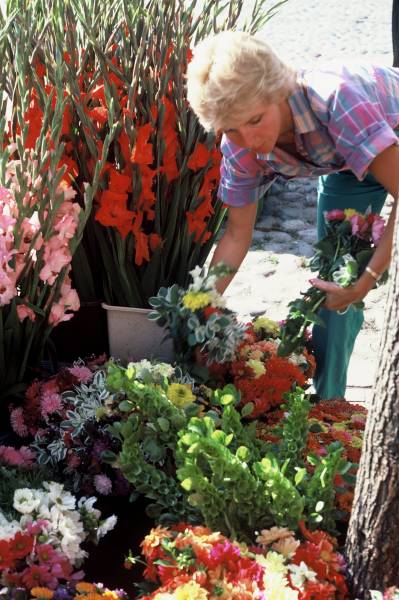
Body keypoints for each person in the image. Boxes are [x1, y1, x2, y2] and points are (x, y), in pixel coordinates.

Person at [186, 30, 399, 400]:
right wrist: (198, 311)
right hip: (350, 169)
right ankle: (329, 405)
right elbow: (236, 235)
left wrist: (369, 276)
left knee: (359, 279)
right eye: (230, 130)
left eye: (255, 120)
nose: (248, 140)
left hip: (387, 139)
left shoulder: (335, 98)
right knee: (334, 286)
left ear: (279, 90)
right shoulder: (240, 149)